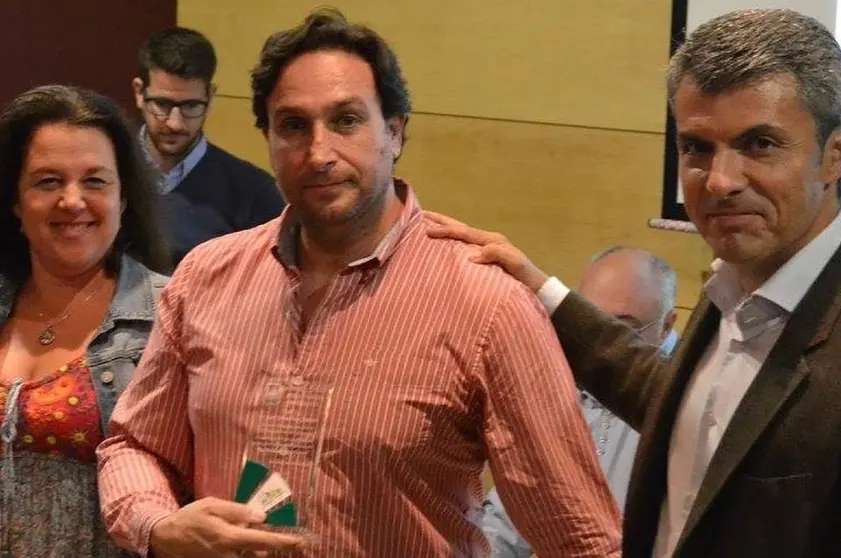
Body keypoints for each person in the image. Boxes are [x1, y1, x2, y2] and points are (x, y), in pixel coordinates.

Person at [97, 9, 622, 558]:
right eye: (292, 126)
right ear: (269, 139)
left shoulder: (488, 305)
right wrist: (159, 526)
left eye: (346, 120)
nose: (319, 153)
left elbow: (584, 540)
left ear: (395, 132)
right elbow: (136, 443)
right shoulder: (206, 278)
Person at [426, 8, 841, 557]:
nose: (720, 181)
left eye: (760, 144)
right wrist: (540, 291)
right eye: (697, 147)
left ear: (833, 156)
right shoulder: (734, 288)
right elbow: (689, 412)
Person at [0, 85, 170, 557]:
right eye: (48, 181)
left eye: (95, 181)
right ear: (15, 201)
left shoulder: (175, 313)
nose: (72, 201)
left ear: (124, 198)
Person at [483, 246, 678, 557]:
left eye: (622, 330)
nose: (600, 348)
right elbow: (507, 519)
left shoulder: (686, 399)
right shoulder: (555, 381)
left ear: (667, 325)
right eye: (588, 326)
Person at [133, 26, 285, 265]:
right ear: (139, 93)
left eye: (191, 106)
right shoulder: (104, 173)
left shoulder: (255, 193)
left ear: (210, 97)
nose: (174, 123)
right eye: (162, 104)